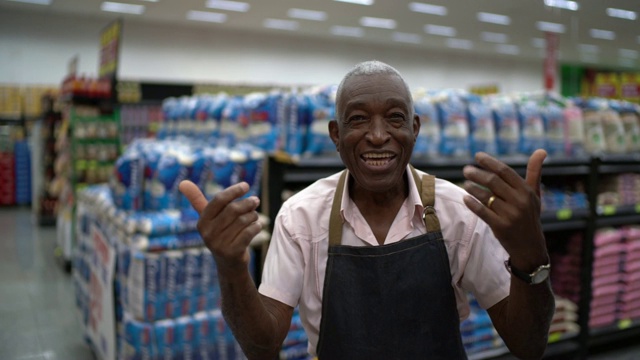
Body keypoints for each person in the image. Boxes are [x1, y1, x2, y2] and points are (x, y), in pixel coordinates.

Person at [180, 60, 555, 359]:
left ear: (415, 128)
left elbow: (528, 346)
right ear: (336, 134)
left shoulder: (458, 210)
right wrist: (231, 268)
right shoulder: (300, 217)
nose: (378, 135)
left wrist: (530, 256)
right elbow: (262, 347)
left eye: (395, 117)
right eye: (358, 119)